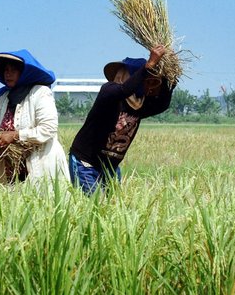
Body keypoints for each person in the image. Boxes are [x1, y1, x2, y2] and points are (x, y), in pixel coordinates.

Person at [68, 45, 175, 195]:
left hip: (110, 167)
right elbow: (124, 90)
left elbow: (162, 105)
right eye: (145, 79)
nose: (148, 86)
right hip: (86, 163)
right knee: (94, 207)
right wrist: (149, 66)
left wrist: (171, 82)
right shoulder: (109, 92)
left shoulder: (139, 104)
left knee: (111, 210)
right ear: (131, 76)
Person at [0, 49, 69, 185]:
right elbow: (1, 131)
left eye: (13, 70)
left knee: (42, 203)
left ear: (24, 73)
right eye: (6, 70)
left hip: (39, 163)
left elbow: (48, 129)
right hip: (11, 167)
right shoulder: (4, 97)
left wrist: (16, 135)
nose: (8, 74)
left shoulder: (40, 93)